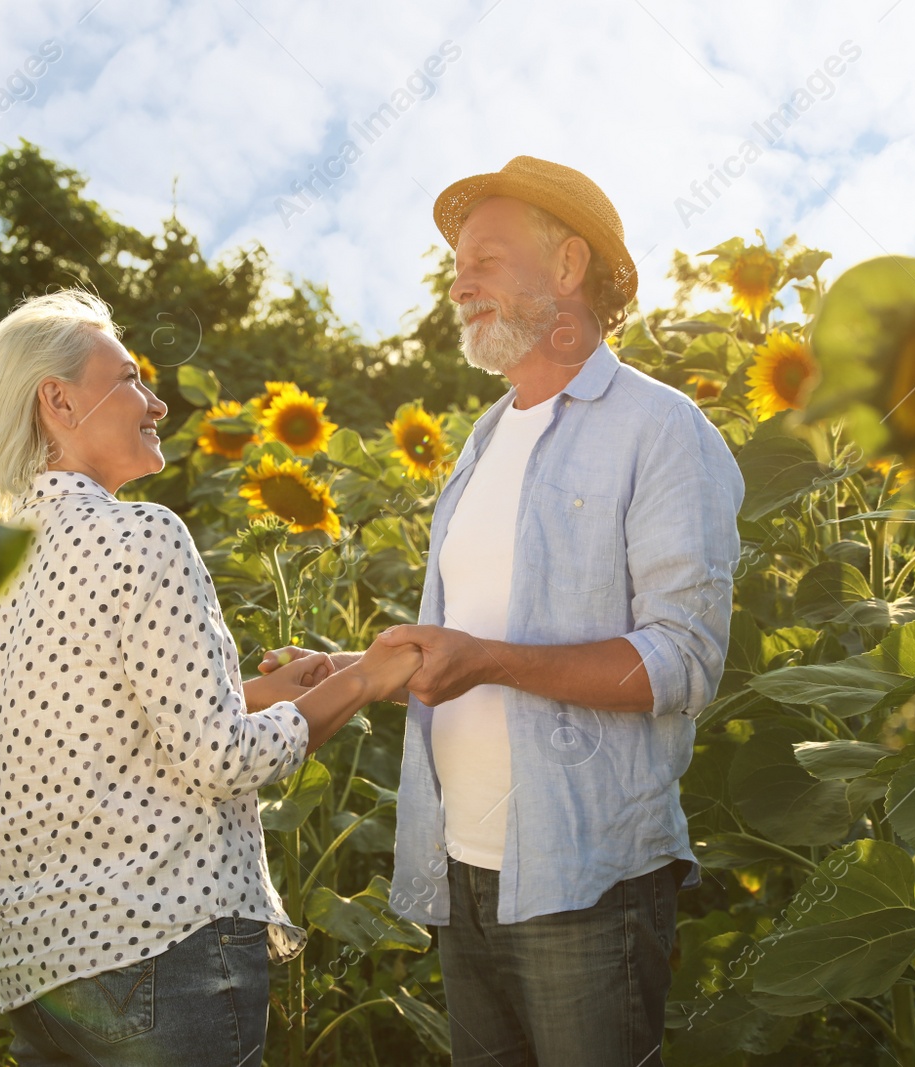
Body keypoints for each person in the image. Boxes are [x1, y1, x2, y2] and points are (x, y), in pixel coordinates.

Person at [261, 156, 745, 1065]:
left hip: (586, 878)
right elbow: (469, 636)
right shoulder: (481, 444)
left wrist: (488, 660)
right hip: (465, 871)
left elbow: (683, 660)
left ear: (568, 266)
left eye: (484, 255)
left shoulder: (661, 428)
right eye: (457, 260)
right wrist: (364, 665)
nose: (458, 278)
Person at [0, 289, 421, 1066]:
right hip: (163, 953)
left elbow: (92, 728)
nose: (158, 402)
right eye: (131, 378)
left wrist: (270, 691)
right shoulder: (143, 533)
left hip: (43, 977)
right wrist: (363, 681)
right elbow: (220, 758)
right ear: (59, 400)